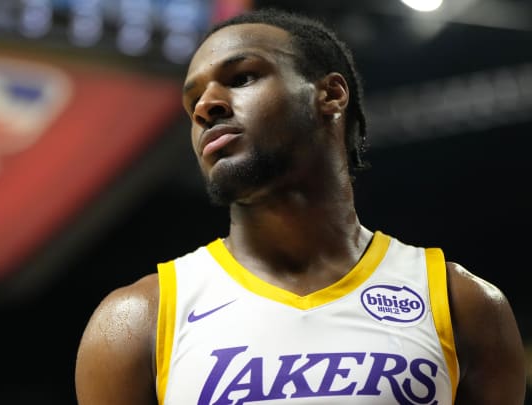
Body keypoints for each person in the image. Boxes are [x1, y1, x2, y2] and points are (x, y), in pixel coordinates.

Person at [74, 7, 526, 405]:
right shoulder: (138, 320)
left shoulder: (461, 303)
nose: (207, 106)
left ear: (330, 95)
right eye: (193, 100)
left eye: (242, 78)